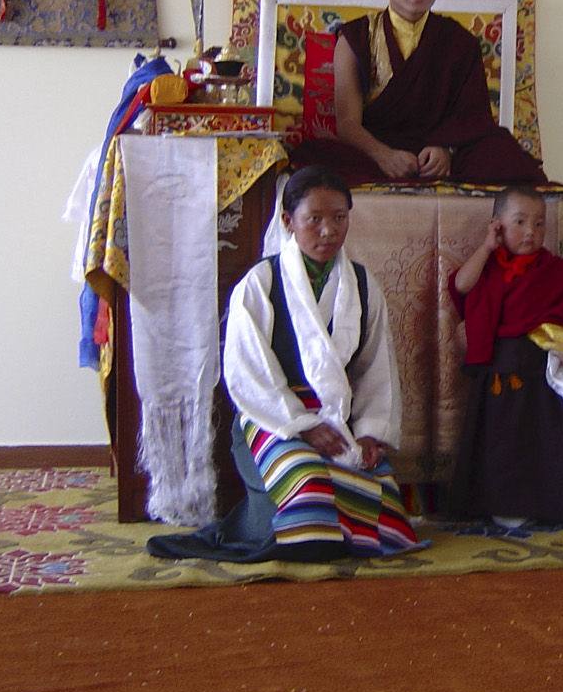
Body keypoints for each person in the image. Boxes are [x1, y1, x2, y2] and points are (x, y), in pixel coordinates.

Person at [147, 167, 421, 562]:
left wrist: (369, 433)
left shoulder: (363, 285)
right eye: (314, 219)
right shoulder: (260, 283)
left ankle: (321, 531)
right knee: (308, 482)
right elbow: (248, 373)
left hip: (336, 417)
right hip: (273, 418)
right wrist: (302, 426)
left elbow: (375, 368)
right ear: (288, 221)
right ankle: (274, 528)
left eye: (339, 218)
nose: (328, 231)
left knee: (383, 499)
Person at [291, 0, 547, 185]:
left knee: (502, 152)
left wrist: (446, 149)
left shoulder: (460, 41)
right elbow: (347, 123)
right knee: (316, 156)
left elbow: (472, 118)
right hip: (374, 148)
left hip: (435, 150)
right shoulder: (355, 37)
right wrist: (384, 156)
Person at [445, 186, 563, 527]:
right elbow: (461, 286)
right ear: (497, 225)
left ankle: (547, 505)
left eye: (539, 223)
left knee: (540, 438)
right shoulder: (488, 265)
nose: (530, 232)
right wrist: (486, 247)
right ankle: (499, 505)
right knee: (498, 440)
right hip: (497, 370)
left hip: (538, 374)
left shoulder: (556, 272)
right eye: (519, 222)